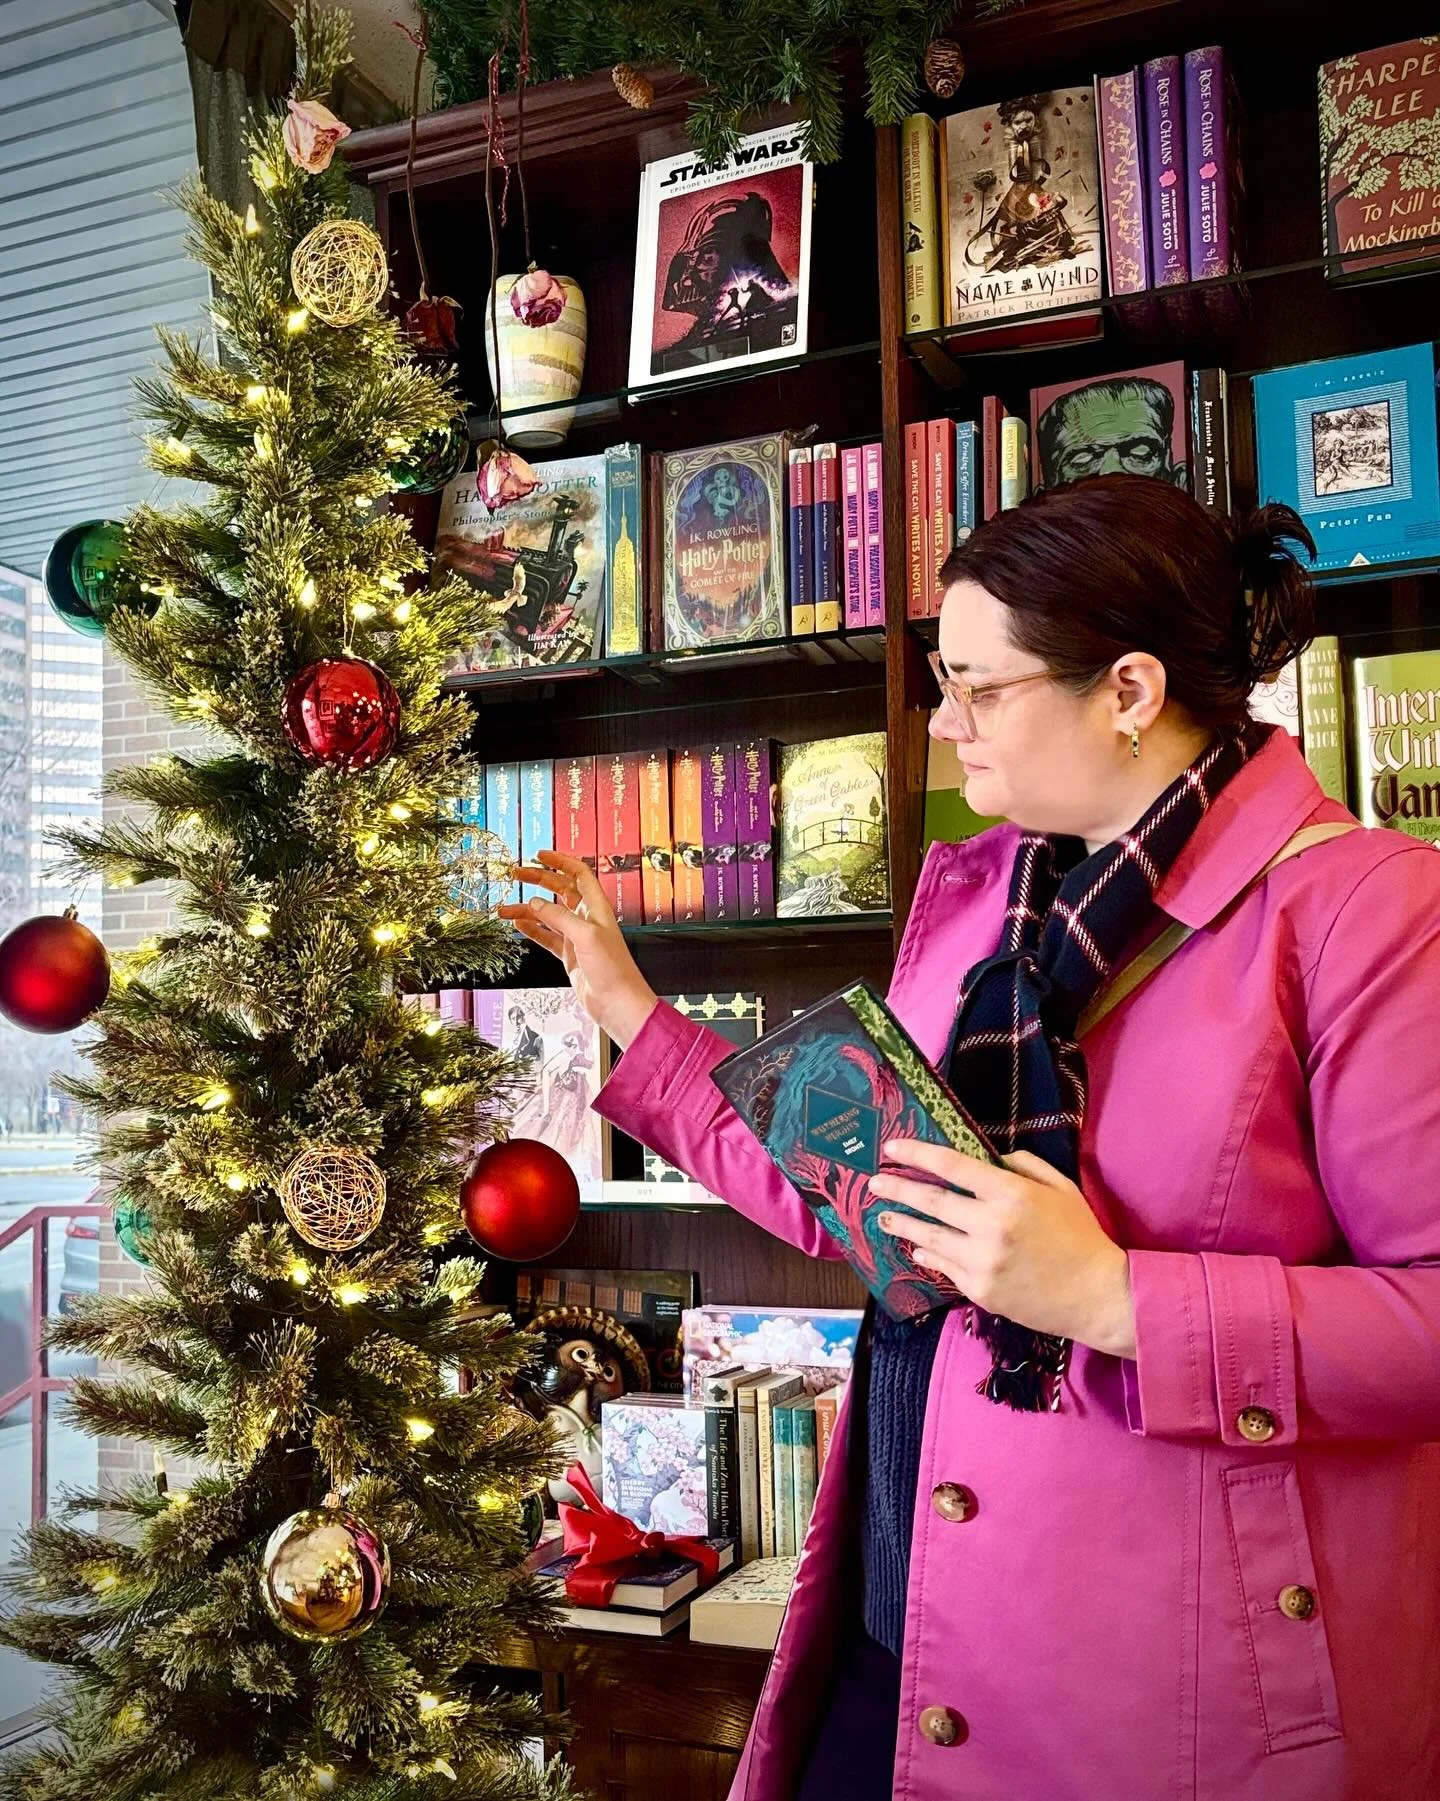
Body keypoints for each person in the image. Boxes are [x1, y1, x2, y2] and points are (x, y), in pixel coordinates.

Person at [498, 473, 1440, 1800]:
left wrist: (1114, 1297)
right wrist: (622, 1002)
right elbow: (859, 1194)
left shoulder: (1371, 914)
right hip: (902, 1620)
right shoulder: (986, 897)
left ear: (1127, 688)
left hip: (1156, 1694)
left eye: (976, 688)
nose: (944, 730)